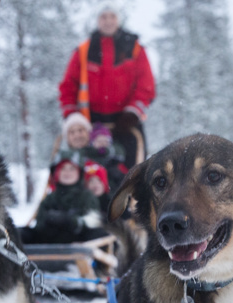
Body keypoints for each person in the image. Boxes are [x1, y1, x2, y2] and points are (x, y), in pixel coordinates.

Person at [58, 0, 155, 170]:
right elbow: (68, 86)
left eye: (112, 16)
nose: (108, 21)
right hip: (90, 123)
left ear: (118, 19)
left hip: (126, 122)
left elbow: (146, 86)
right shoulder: (83, 51)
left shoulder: (135, 49)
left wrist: (132, 113)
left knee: (133, 171)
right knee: (86, 171)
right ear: (97, 20)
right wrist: (72, 116)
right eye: (103, 16)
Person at [21, 157, 105, 245]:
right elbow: (39, 227)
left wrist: (69, 220)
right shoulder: (49, 198)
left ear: (79, 173)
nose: (67, 172)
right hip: (50, 245)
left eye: (72, 169)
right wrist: (48, 223)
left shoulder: (87, 197)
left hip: (79, 246)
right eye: (63, 169)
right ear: (57, 173)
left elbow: (93, 223)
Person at [82, 123, 127, 193]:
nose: (102, 144)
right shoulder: (88, 156)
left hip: (111, 187)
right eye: (99, 141)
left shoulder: (114, 157)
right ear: (92, 143)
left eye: (105, 141)